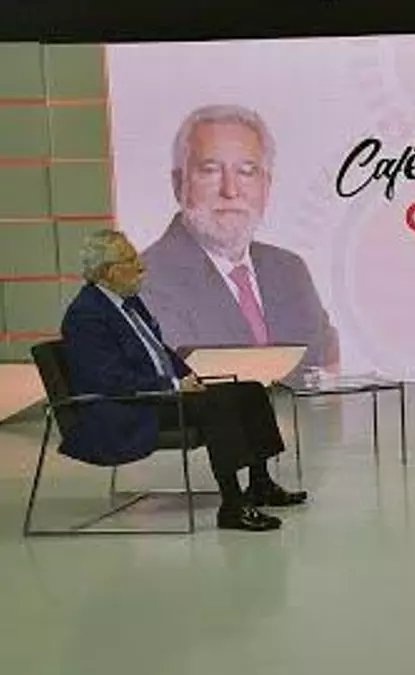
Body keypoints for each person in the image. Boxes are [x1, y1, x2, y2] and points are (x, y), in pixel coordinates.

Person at [60, 230, 308, 531]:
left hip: (157, 394)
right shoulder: (86, 315)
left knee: (251, 391)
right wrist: (173, 387)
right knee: (217, 405)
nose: (141, 265)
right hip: (127, 407)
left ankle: (260, 484)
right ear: (110, 271)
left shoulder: (128, 301)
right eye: (131, 259)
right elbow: (108, 379)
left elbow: (158, 349)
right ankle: (232, 506)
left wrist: (187, 376)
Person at [139, 104, 338, 382]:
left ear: (266, 185)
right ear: (178, 183)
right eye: (210, 171)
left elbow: (327, 368)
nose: (230, 190)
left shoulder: (290, 271)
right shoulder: (147, 280)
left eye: (246, 171)